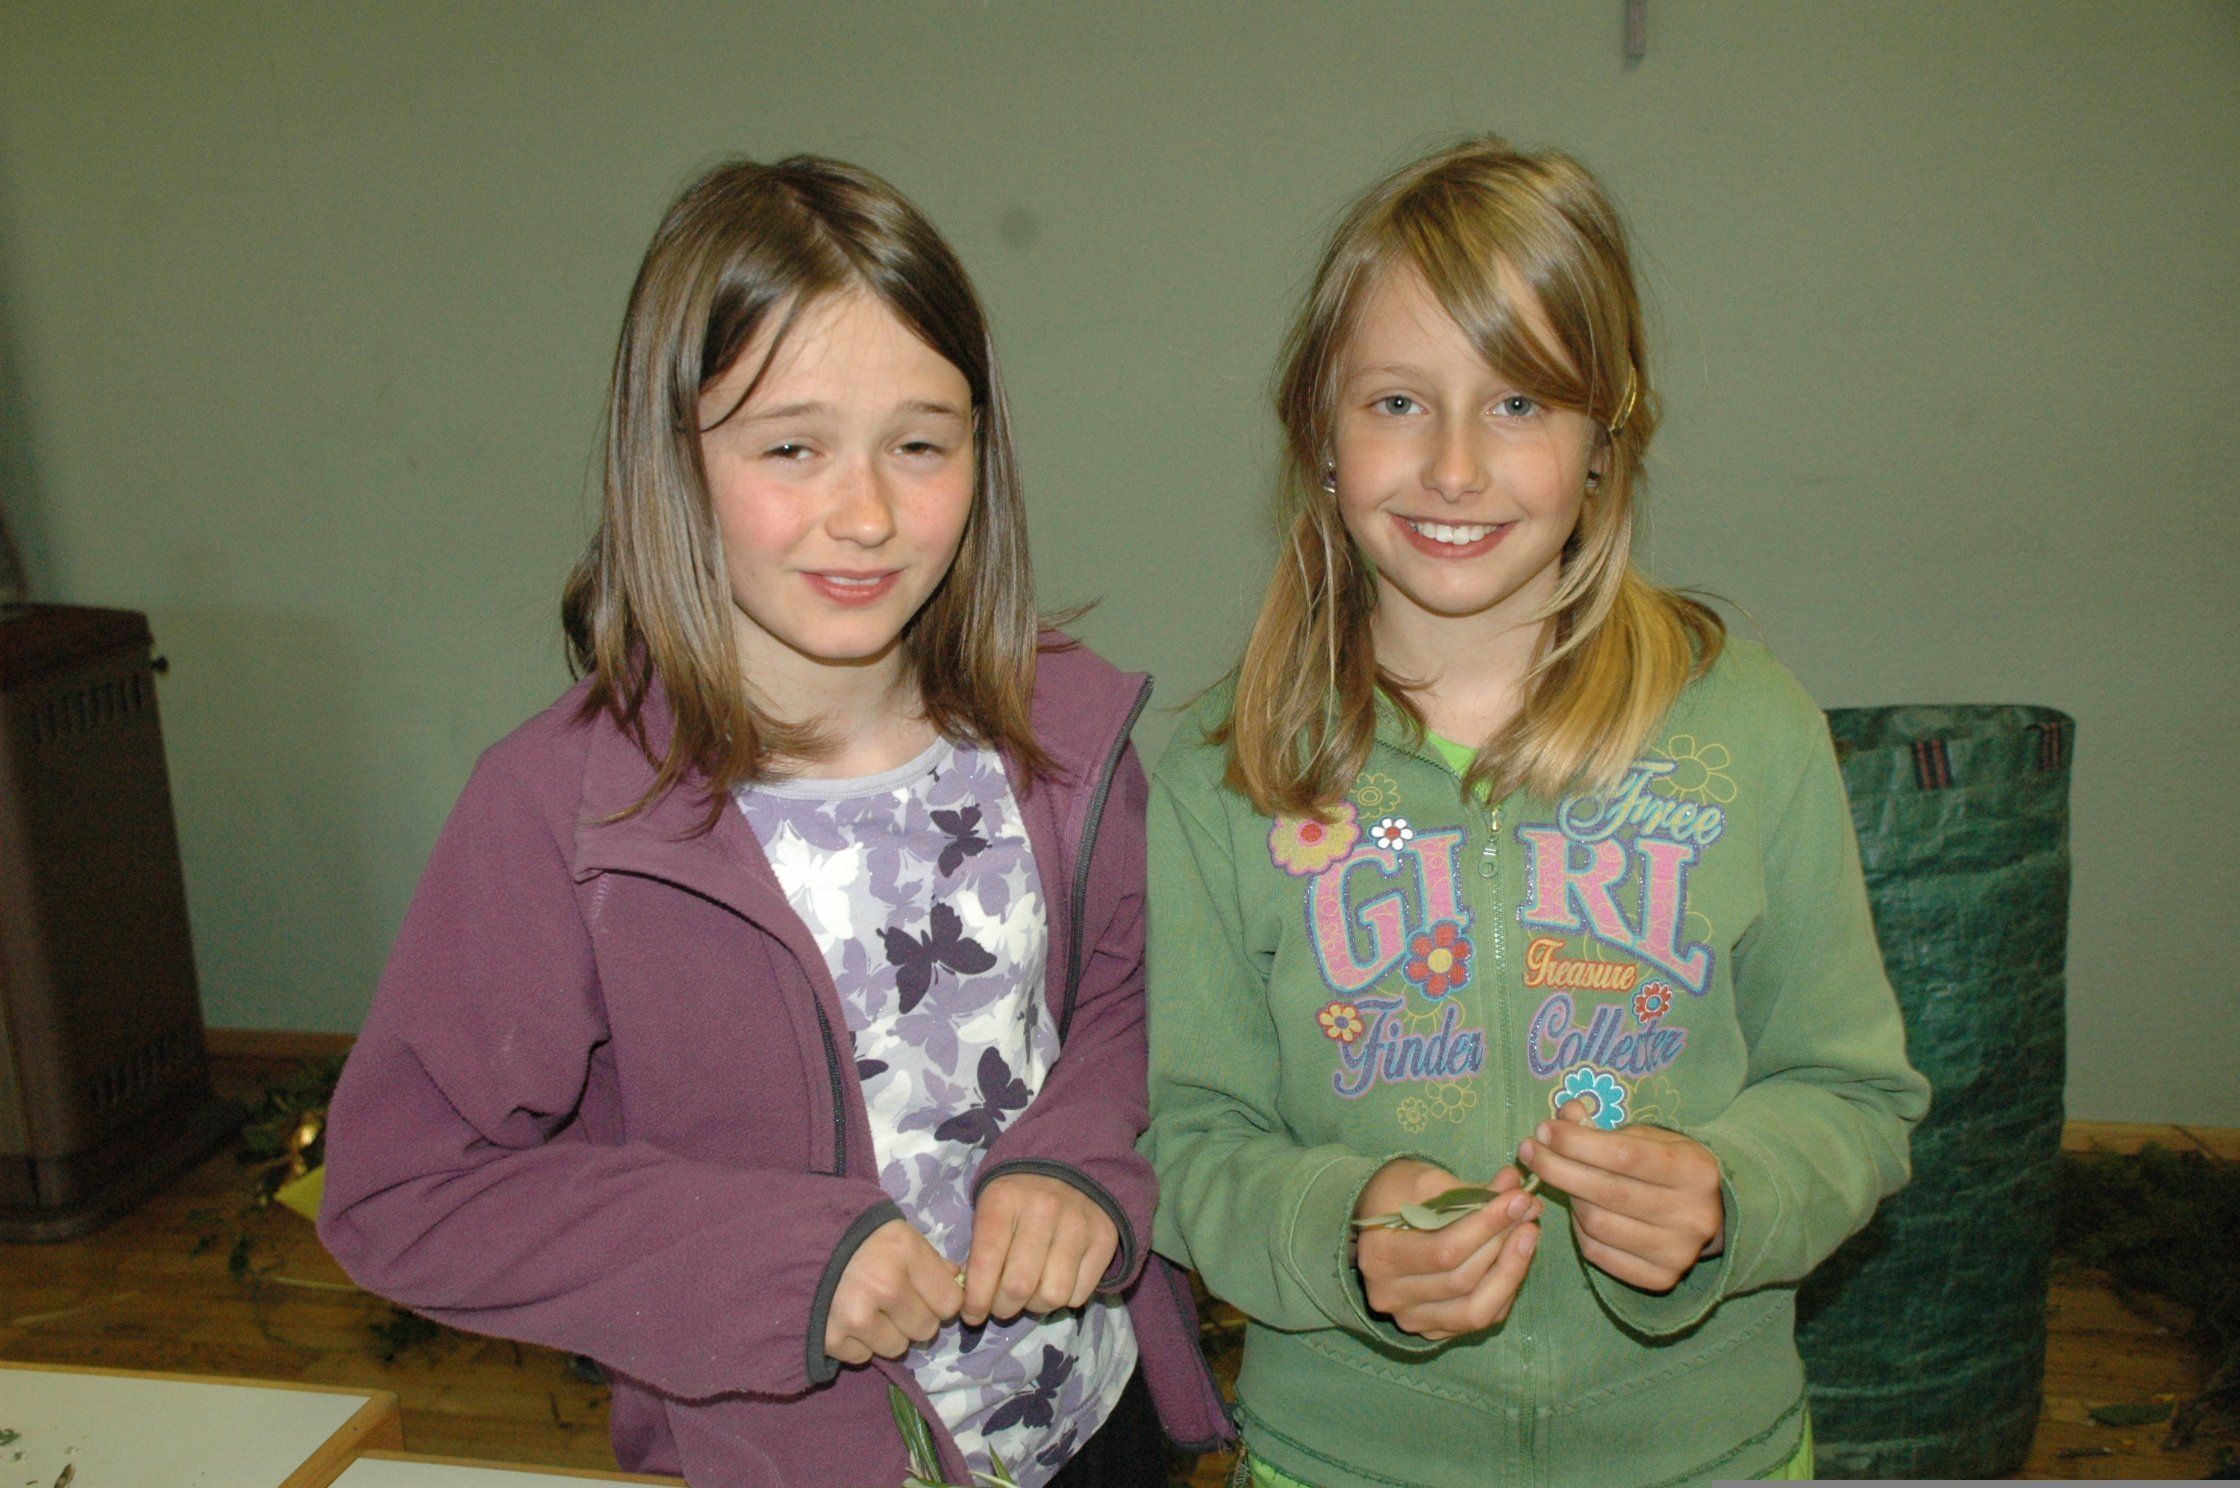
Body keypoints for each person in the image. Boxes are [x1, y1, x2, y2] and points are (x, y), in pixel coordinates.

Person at [318, 155, 1229, 1488]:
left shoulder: (1067, 742)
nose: (865, 515)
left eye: (920, 444)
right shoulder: (561, 816)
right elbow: (409, 1190)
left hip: (1100, 1427)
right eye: (791, 447)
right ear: (672, 457)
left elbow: (1133, 1001)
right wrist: (781, 1263)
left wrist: (1079, 1161)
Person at [1142, 137, 1930, 1488]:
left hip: (1710, 1456)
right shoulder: (1222, 772)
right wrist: (1340, 1232)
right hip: (1345, 1460)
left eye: (1519, 402)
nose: (1454, 467)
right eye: (1398, 401)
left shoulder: (1751, 730)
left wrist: (1731, 1196)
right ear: (1319, 431)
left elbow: (1853, 1094)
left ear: (1605, 441)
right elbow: (1187, 1138)